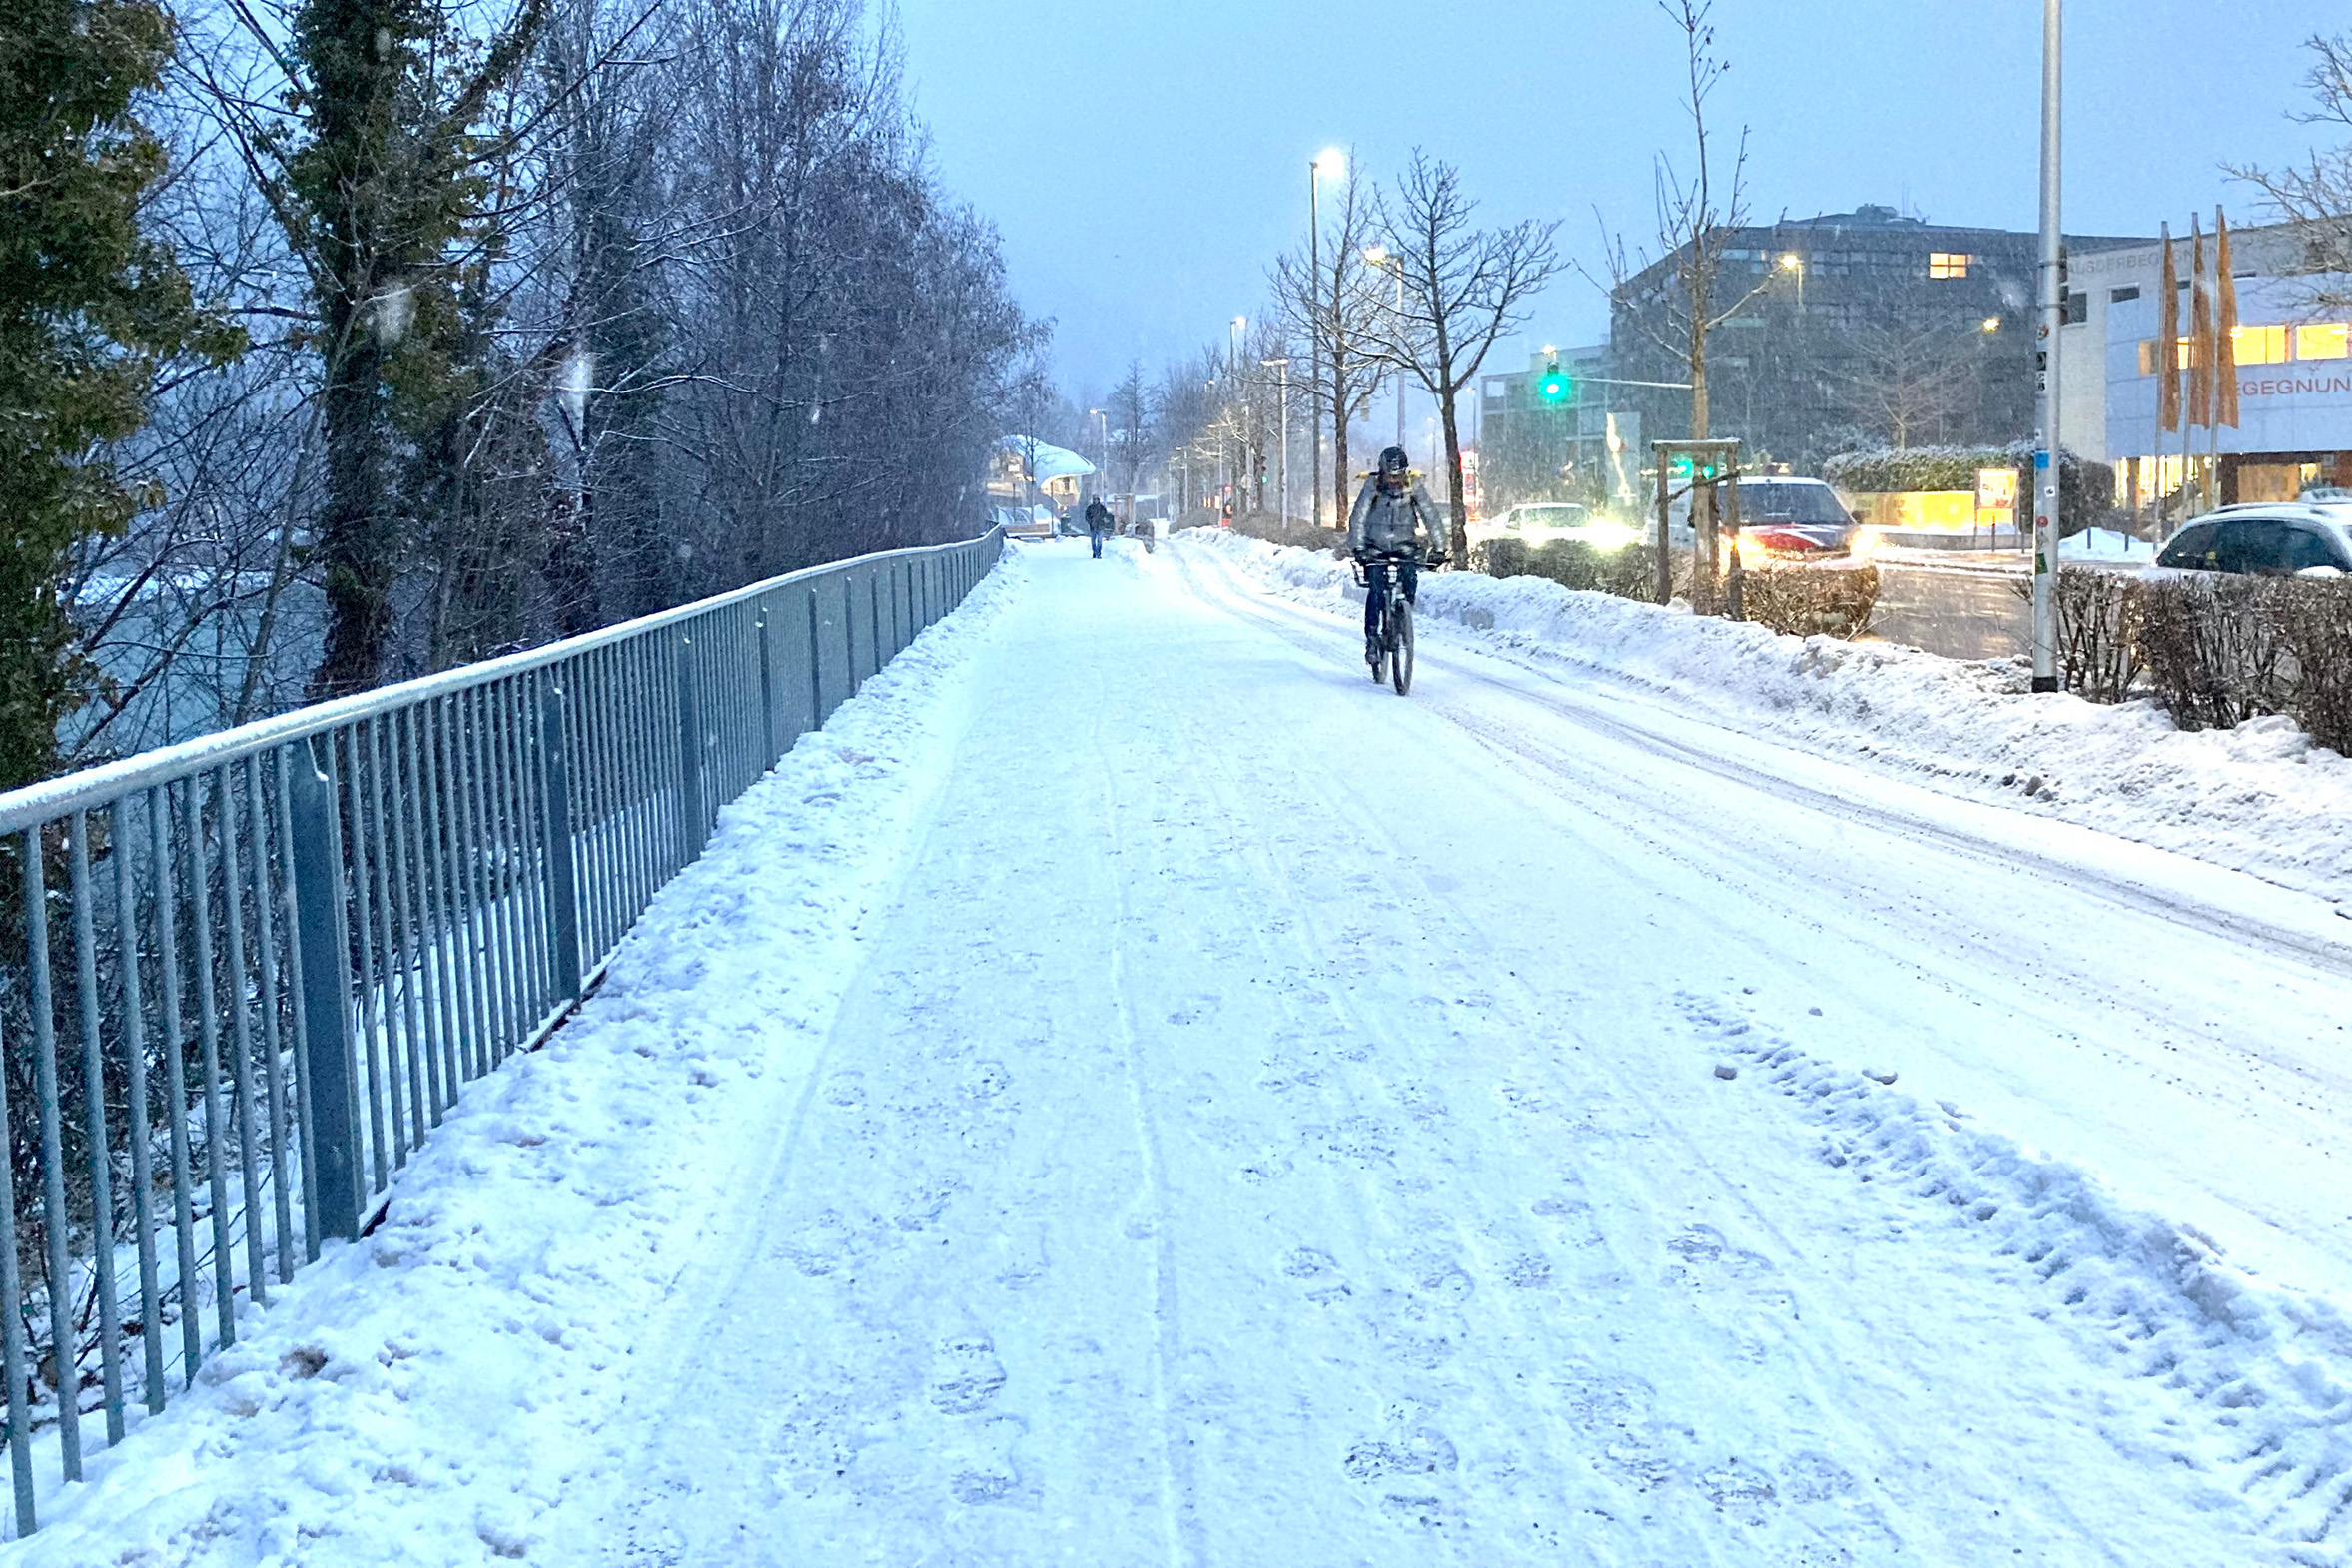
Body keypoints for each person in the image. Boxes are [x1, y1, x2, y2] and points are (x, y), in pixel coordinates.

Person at [1347, 446, 1449, 666]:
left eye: (1399, 475)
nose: (1395, 480)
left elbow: (1431, 516)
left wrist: (1440, 548)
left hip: (1405, 545)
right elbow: (1359, 517)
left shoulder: (1415, 487)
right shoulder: (1372, 487)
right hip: (1375, 547)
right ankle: (1373, 639)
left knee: (1411, 579)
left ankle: (1402, 618)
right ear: (1382, 472)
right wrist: (1358, 548)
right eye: (1391, 475)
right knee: (1376, 588)